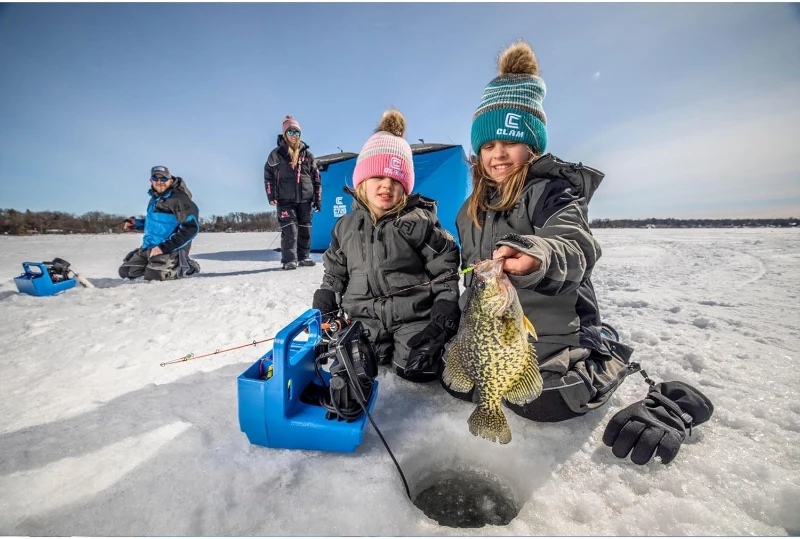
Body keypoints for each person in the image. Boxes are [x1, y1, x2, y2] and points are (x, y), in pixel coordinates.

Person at [443, 40, 636, 421]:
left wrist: (538, 257)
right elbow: (470, 280)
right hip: (496, 332)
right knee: (454, 383)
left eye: (511, 142)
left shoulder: (552, 193)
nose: (498, 154)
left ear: (531, 146)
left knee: (545, 403)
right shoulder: (468, 212)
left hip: (552, 331)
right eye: (488, 145)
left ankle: (603, 354)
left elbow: (575, 243)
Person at [311, 109, 461, 382]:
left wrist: (445, 307)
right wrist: (327, 295)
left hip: (414, 317)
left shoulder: (419, 221)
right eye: (378, 177)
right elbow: (335, 270)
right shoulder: (345, 226)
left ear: (406, 187)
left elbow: (445, 267)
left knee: (419, 368)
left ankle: (425, 354)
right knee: (353, 369)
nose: (386, 186)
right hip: (364, 319)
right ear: (361, 182)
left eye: (395, 180)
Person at [119, 165, 201, 281]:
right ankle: (151, 262)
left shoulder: (179, 199)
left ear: (170, 180)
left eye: (163, 179)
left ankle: (186, 265)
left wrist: (164, 247)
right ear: (151, 180)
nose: (159, 182)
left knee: (155, 275)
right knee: (127, 272)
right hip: (149, 247)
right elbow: (156, 223)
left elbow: (191, 228)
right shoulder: (154, 199)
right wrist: (136, 224)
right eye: (155, 178)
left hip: (171, 248)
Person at [264, 115, 322, 270]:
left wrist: (317, 199)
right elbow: (268, 174)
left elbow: (316, 178)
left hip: (305, 199)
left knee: (305, 230)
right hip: (285, 199)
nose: (294, 135)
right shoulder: (277, 154)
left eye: (297, 132)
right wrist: (271, 195)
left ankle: (304, 257)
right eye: (291, 132)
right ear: (285, 134)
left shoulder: (308, 155)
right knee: (290, 230)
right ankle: (289, 260)